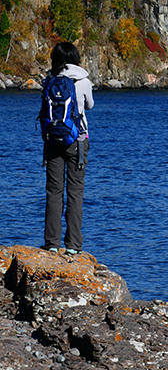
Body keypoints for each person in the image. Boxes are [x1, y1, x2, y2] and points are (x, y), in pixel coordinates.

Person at [42, 42, 94, 254]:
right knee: (75, 193)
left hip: (52, 140)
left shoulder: (48, 81)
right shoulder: (82, 81)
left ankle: (51, 244)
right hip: (77, 141)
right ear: (75, 57)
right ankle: (73, 246)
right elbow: (89, 105)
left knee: (53, 192)